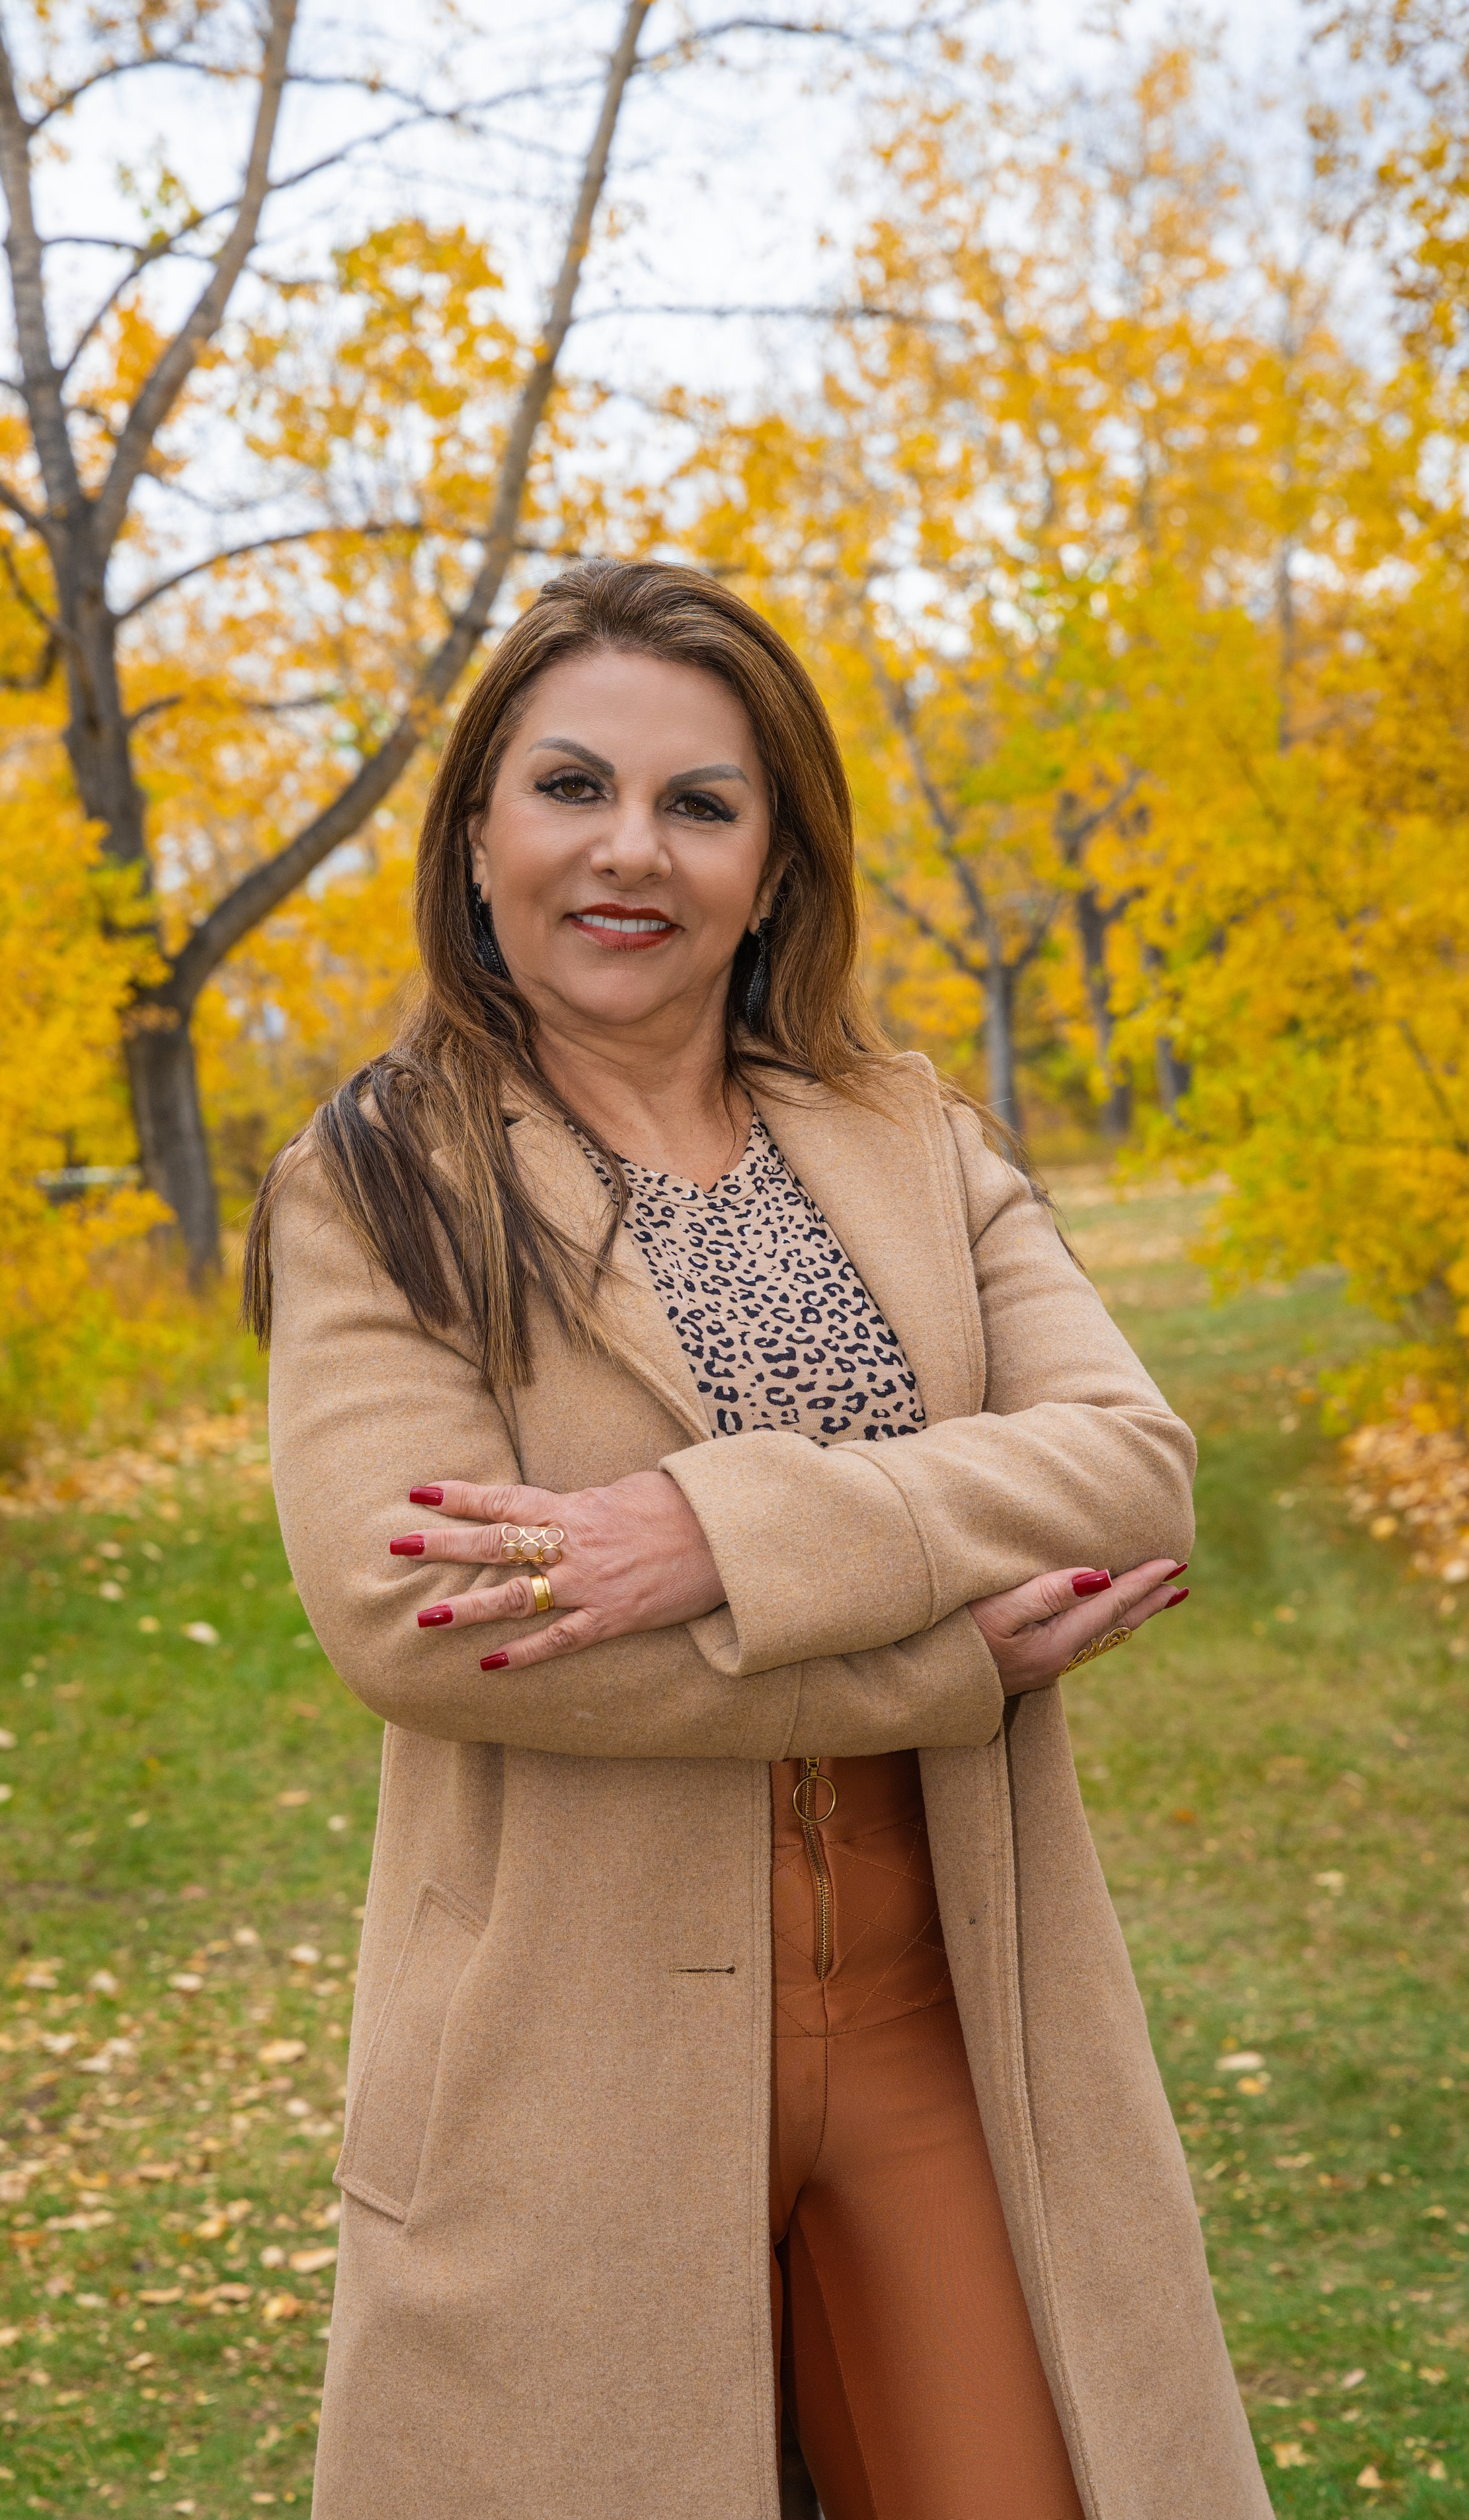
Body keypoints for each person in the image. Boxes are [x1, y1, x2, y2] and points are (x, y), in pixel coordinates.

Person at [249, 561, 1270, 2520]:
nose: (630, 850)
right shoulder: (379, 1178)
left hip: (947, 2024)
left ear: (776, 866)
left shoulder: (912, 1134)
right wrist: (950, 1652)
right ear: (478, 836)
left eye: (701, 805)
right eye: (570, 788)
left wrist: (707, 1533)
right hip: (565, 2063)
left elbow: (1128, 1466)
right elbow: (431, 1621)